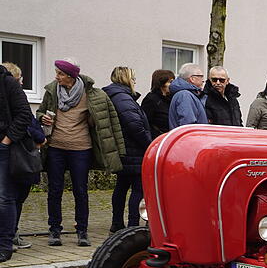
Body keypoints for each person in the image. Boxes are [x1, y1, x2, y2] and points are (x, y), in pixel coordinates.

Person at [36, 58, 124, 247]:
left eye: (60, 73)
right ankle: (54, 230)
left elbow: (108, 120)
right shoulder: (52, 91)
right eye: (56, 72)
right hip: (56, 148)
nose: (56, 76)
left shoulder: (90, 94)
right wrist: (42, 118)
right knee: (54, 190)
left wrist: (95, 122)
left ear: (70, 75)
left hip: (81, 149)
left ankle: (82, 231)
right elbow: (40, 112)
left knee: (81, 190)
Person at [102, 66, 153, 233]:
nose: (135, 81)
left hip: (124, 149)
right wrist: (149, 143)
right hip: (133, 150)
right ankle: (132, 225)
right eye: (133, 77)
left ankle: (117, 222)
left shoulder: (116, 96)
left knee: (122, 187)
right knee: (138, 189)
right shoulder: (123, 98)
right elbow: (134, 125)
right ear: (126, 79)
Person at [2, 62, 45, 253]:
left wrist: (6, 141)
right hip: (11, 150)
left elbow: (26, 117)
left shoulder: (8, 84)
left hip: (10, 151)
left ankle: (6, 242)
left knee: (7, 197)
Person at [167, 63, 207, 128]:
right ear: (192, 79)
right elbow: (187, 125)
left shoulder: (188, 94)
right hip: (191, 137)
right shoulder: (184, 95)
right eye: (201, 76)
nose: (203, 80)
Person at [141, 69, 174, 138]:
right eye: (170, 82)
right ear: (162, 83)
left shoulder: (170, 98)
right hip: (158, 139)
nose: (173, 85)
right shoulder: (151, 99)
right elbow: (145, 123)